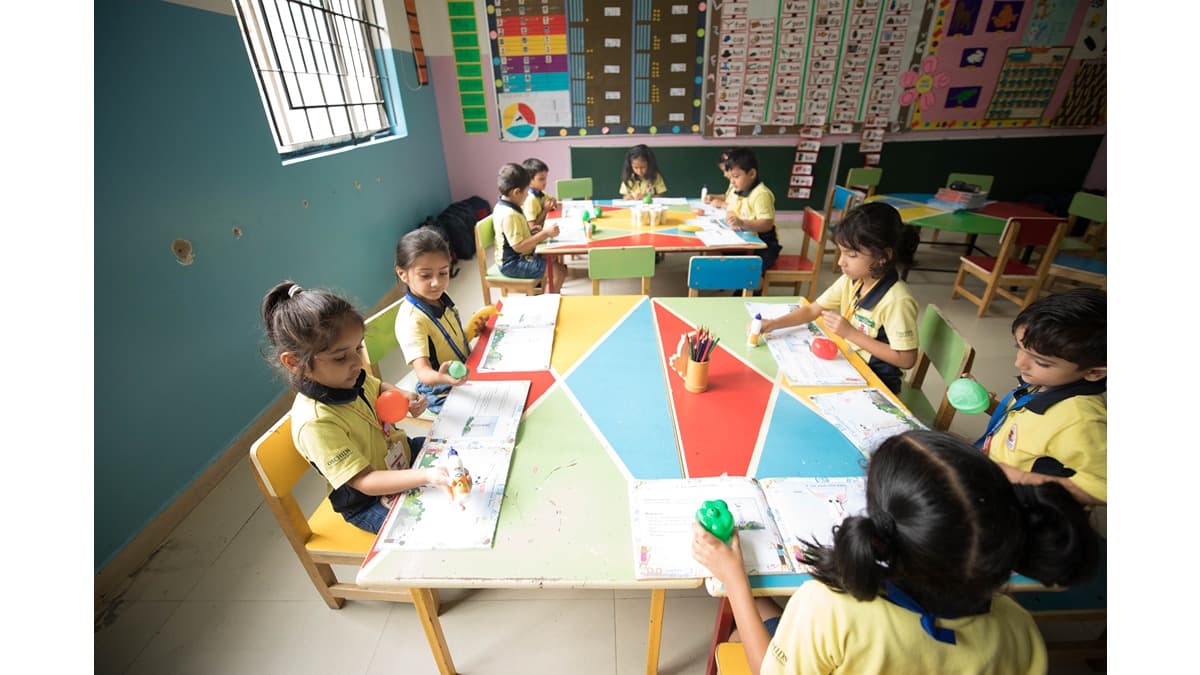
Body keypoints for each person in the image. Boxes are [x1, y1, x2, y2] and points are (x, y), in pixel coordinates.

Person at [692, 430, 1099, 675]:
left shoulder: (827, 608)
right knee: (764, 603)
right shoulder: (1020, 630)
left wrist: (734, 581)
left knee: (737, 625)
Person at [261, 280, 451, 534]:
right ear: (294, 362)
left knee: (456, 448)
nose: (356, 362)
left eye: (358, 347)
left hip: (400, 456)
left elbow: (378, 387)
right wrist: (427, 476)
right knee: (436, 525)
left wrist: (403, 395)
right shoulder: (315, 423)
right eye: (340, 357)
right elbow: (365, 480)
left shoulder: (348, 377)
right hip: (368, 500)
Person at [759, 202, 919, 393]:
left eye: (851, 255)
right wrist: (773, 324)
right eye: (840, 252)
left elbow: (906, 359)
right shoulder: (853, 280)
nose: (840, 262)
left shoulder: (896, 300)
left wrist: (851, 334)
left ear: (882, 256)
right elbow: (812, 310)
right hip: (850, 363)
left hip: (877, 380)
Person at [976, 288, 1107, 506]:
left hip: (1014, 503)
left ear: (1094, 372)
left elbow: (1105, 488)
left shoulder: (1081, 422)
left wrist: (1019, 478)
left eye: (1042, 362)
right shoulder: (1042, 384)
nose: (1019, 363)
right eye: (1019, 348)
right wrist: (989, 405)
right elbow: (1027, 428)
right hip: (991, 470)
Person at [394, 228, 487, 414]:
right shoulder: (411, 320)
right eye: (426, 275)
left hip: (462, 371)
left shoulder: (440, 297)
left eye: (443, 273)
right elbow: (423, 373)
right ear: (403, 274)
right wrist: (444, 378)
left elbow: (444, 342)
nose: (436, 283)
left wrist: (470, 332)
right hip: (439, 390)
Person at [493, 162, 566, 290]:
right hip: (512, 263)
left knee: (552, 257)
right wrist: (544, 233)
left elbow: (512, 235)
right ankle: (548, 305)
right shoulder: (510, 215)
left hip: (514, 257)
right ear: (516, 192)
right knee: (558, 272)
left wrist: (529, 231)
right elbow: (518, 246)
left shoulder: (505, 206)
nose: (528, 195)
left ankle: (544, 291)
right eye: (526, 192)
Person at [723, 147, 783, 279]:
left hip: (765, 244)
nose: (732, 182)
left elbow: (767, 224)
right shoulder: (737, 190)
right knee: (725, 257)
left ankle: (752, 292)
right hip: (746, 239)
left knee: (751, 273)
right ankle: (735, 282)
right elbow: (731, 208)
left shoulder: (761, 194)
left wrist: (742, 223)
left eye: (736, 177)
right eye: (730, 178)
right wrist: (731, 216)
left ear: (751, 174)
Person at [521, 157, 558, 234]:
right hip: (537, 237)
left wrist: (553, 201)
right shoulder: (530, 199)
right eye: (541, 179)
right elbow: (532, 229)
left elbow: (551, 199)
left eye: (545, 178)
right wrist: (545, 211)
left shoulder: (540, 193)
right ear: (529, 180)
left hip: (544, 230)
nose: (545, 182)